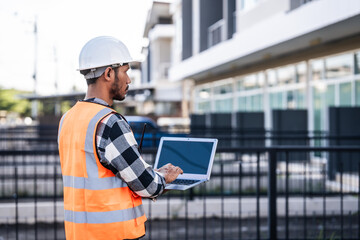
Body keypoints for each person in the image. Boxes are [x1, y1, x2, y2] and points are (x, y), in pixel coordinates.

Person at [58, 36, 183, 240]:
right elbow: (148, 186)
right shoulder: (109, 122)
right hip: (113, 234)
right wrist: (164, 177)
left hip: (79, 234)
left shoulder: (68, 118)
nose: (129, 79)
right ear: (108, 73)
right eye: (125, 71)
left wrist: (152, 174)